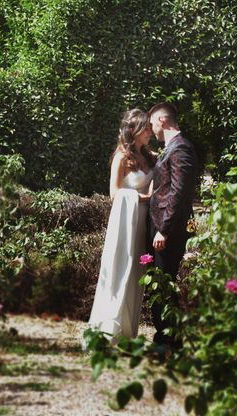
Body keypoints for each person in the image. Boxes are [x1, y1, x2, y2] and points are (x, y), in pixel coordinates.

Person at [87, 109, 156, 340]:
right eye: (146, 128)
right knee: (121, 268)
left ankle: (128, 331)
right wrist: (142, 198)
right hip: (126, 221)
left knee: (137, 271)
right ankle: (109, 328)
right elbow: (114, 194)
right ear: (134, 130)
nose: (150, 132)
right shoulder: (121, 157)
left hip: (144, 222)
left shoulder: (150, 156)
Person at [147, 102, 198, 346]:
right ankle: (167, 339)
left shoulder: (180, 149)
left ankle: (167, 342)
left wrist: (163, 230)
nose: (151, 130)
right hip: (161, 228)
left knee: (162, 286)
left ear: (162, 121)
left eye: (152, 124)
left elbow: (178, 193)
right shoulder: (171, 148)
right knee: (159, 285)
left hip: (168, 230)